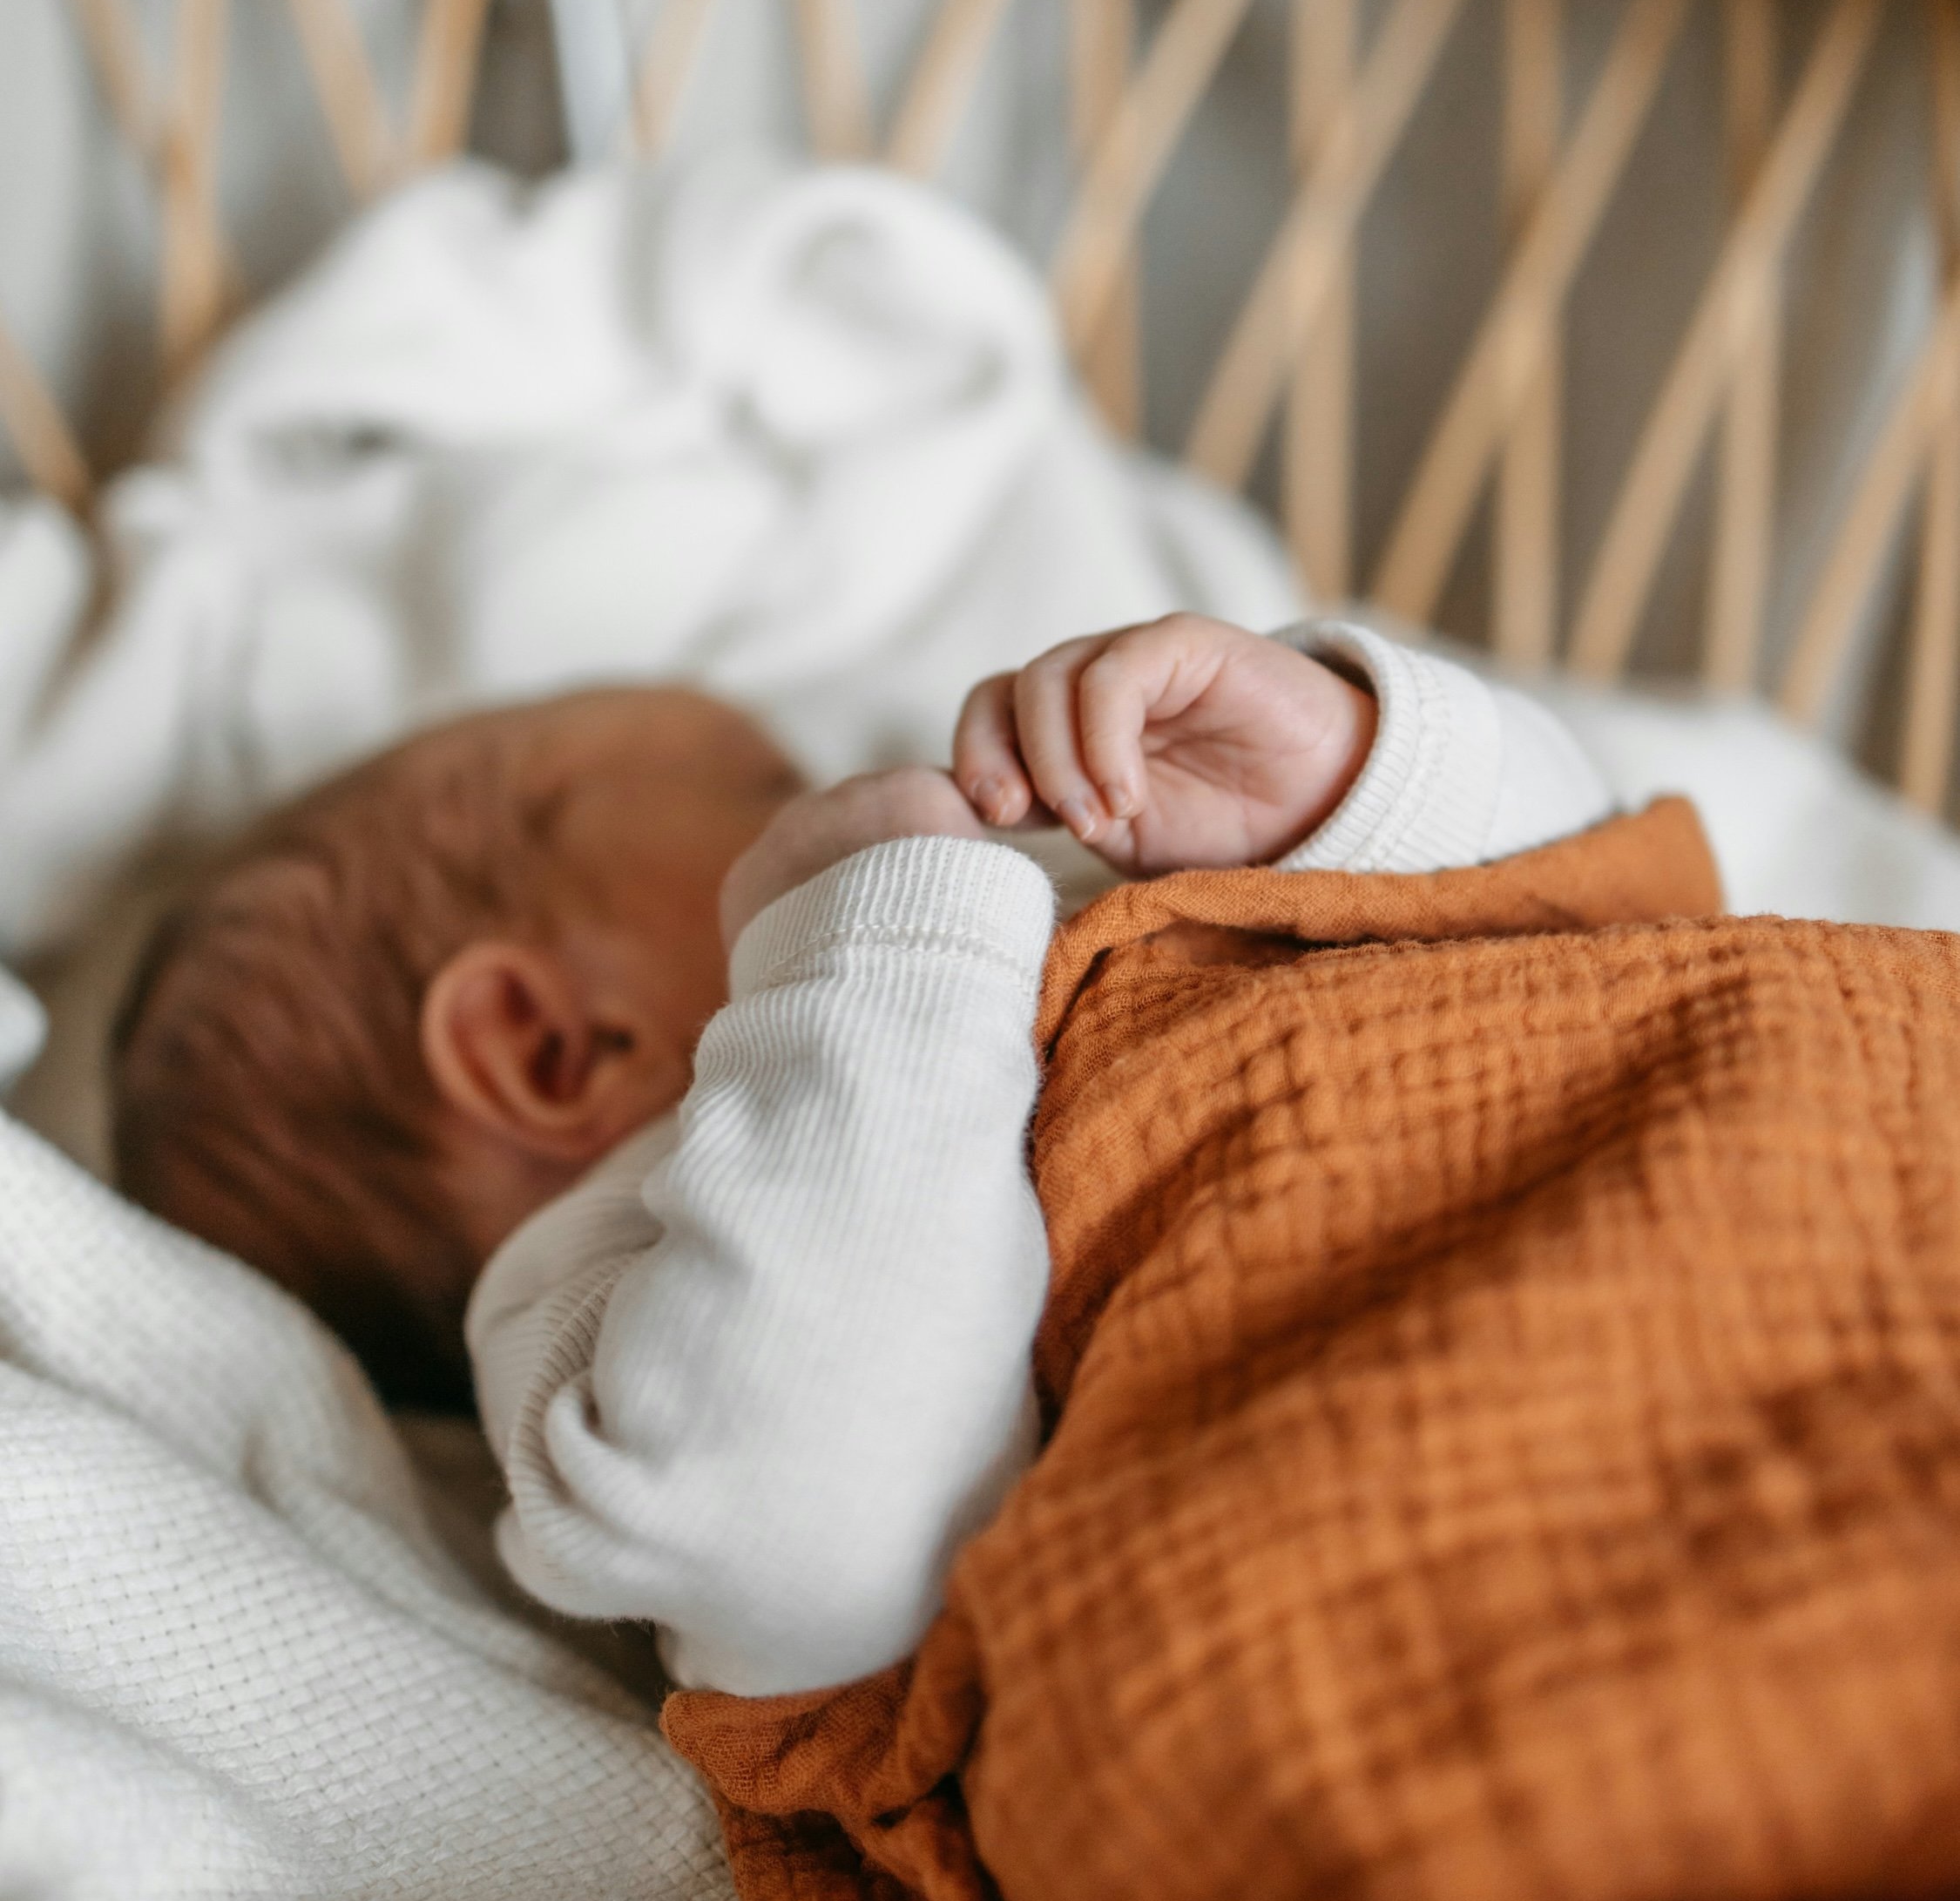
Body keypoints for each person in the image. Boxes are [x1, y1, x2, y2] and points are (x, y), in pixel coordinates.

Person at [112, 616, 1612, 1693]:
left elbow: (1595, 927)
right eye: (779, 800)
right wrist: (871, 933)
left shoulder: (1042, 940)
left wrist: (1354, 779)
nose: (931, 807)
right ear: (556, 1052)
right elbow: (809, 1546)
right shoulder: (611, 1282)